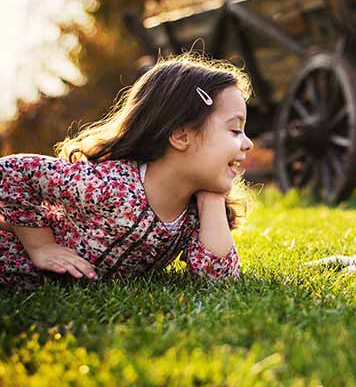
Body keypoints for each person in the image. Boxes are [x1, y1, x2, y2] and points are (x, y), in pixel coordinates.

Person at [0, 54, 254, 288]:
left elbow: (218, 278)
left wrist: (212, 197)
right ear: (181, 135)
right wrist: (41, 246)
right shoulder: (110, 185)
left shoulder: (193, 214)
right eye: (234, 130)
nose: (248, 143)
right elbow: (10, 171)